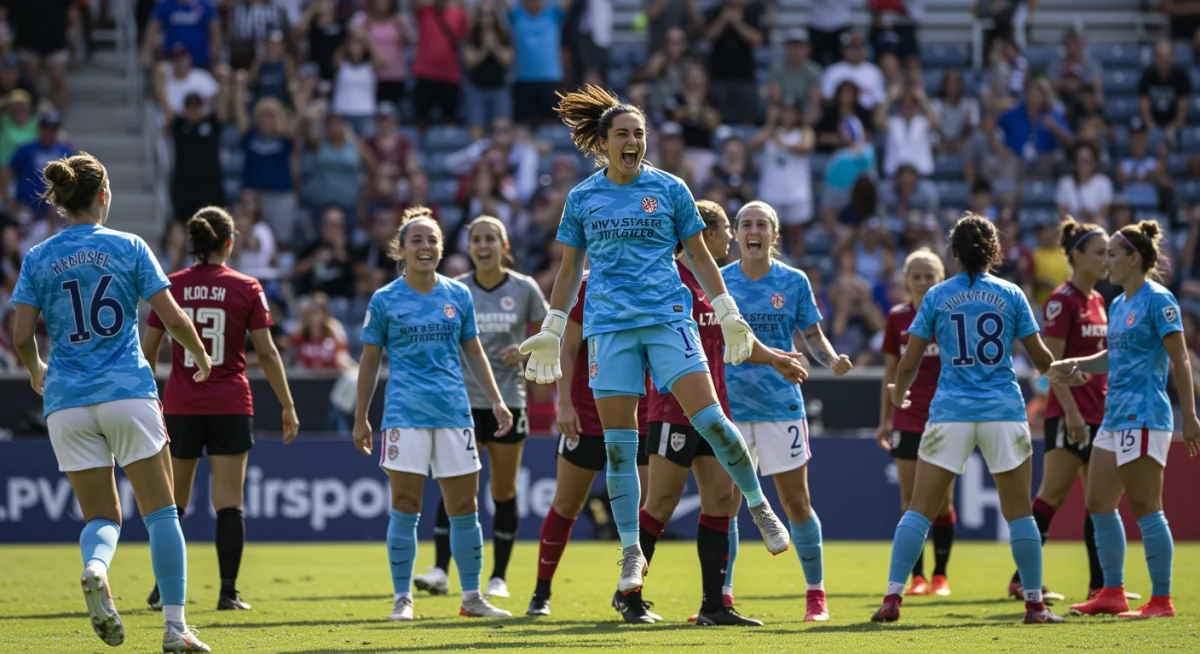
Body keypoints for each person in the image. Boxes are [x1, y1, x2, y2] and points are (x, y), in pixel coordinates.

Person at [518, 85, 791, 601]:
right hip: (609, 331)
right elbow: (570, 268)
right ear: (603, 142)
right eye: (623, 133)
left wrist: (729, 313)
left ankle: (757, 504)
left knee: (711, 420)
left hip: (668, 322)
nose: (633, 141)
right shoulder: (582, 198)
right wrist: (554, 328)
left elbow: (701, 257)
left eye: (639, 133)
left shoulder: (670, 189)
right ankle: (630, 552)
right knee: (621, 453)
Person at [10, 153, 212, 651]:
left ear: (61, 200)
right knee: (162, 513)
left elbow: (19, 334)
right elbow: (173, 318)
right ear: (103, 195)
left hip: (66, 402)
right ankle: (174, 629)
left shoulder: (38, 256)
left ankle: (96, 568)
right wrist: (199, 353)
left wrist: (37, 369)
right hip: (127, 392)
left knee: (101, 518)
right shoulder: (130, 246)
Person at [872, 213, 1065, 625]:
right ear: (995, 251)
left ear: (953, 252)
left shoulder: (937, 296)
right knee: (1020, 515)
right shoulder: (1012, 293)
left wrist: (901, 393)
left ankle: (892, 598)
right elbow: (1041, 359)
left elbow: (907, 362)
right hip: (1003, 412)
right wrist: (1065, 369)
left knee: (918, 510)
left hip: (950, 413)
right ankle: (1034, 604)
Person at [630, 200, 809, 626]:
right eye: (727, 228)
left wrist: (775, 359)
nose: (731, 236)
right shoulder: (669, 280)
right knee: (661, 502)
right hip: (673, 409)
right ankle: (629, 596)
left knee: (721, 502)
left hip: (716, 409)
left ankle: (714, 605)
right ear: (707, 234)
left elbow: (735, 341)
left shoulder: (712, 286)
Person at [353, 206, 513, 621]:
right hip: (404, 414)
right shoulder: (385, 299)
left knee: (466, 507)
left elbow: (474, 351)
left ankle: (472, 597)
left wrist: (496, 400)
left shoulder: (458, 295)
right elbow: (369, 362)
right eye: (417, 240)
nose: (425, 247)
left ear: (441, 249)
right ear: (401, 250)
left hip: (454, 413)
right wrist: (361, 417)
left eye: (432, 240)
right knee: (405, 505)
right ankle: (402, 598)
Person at [141, 206, 299, 612]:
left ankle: (163, 590)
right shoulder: (247, 286)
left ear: (193, 243)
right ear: (230, 242)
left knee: (172, 503)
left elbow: (148, 351)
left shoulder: (170, 285)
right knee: (229, 501)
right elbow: (265, 351)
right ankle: (228, 593)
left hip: (180, 403)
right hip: (231, 403)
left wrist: (144, 401)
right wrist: (287, 404)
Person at [1053, 221, 1200, 619]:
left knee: (1146, 506)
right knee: (1098, 502)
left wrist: (1190, 414)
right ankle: (1112, 591)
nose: (1106, 262)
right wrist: (1074, 363)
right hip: (1114, 416)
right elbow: (1110, 358)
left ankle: (1162, 600)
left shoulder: (1158, 299)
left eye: (1112, 255)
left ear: (1134, 259)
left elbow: (1180, 358)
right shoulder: (1116, 303)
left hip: (1146, 415)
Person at [721, 200, 853, 622]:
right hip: (731, 406)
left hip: (781, 405)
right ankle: (720, 595)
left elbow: (812, 334)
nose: (753, 230)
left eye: (762, 224)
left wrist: (830, 360)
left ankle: (816, 595)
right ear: (736, 234)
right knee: (725, 503)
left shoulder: (793, 282)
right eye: (746, 224)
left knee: (796, 503)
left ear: (774, 236)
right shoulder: (718, 282)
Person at [413, 216, 548, 599]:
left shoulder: (524, 289)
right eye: (477, 240)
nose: (484, 246)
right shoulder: (454, 290)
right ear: (469, 247)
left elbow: (549, 335)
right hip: (461, 404)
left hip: (508, 402)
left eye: (491, 239)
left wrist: (523, 353)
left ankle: (498, 577)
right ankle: (440, 570)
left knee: (503, 491)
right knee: (455, 489)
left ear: (505, 246)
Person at [524, 263, 655, 619]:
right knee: (566, 504)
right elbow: (567, 350)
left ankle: (630, 597)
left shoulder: (652, 275)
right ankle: (541, 593)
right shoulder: (585, 284)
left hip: (638, 417)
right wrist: (564, 404)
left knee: (644, 511)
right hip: (586, 415)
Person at [1000, 217, 1112, 601]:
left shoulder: (1098, 300)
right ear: (1077, 256)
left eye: (1110, 253)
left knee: (1099, 501)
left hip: (1099, 410)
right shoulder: (1061, 301)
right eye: (1100, 252)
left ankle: (1101, 586)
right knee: (1054, 494)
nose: (1107, 259)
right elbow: (1052, 367)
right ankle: (1021, 579)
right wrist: (1072, 414)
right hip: (1071, 414)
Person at [877, 248, 956, 597]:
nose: (924, 282)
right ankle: (918, 577)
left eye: (930, 276)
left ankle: (941, 575)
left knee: (944, 501)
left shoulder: (952, 315)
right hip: (908, 419)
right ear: (907, 280)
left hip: (945, 419)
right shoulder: (897, 319)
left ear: (941, 280)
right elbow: (891, 372)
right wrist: (885, 419)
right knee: (909, 502)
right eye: (917, 276)